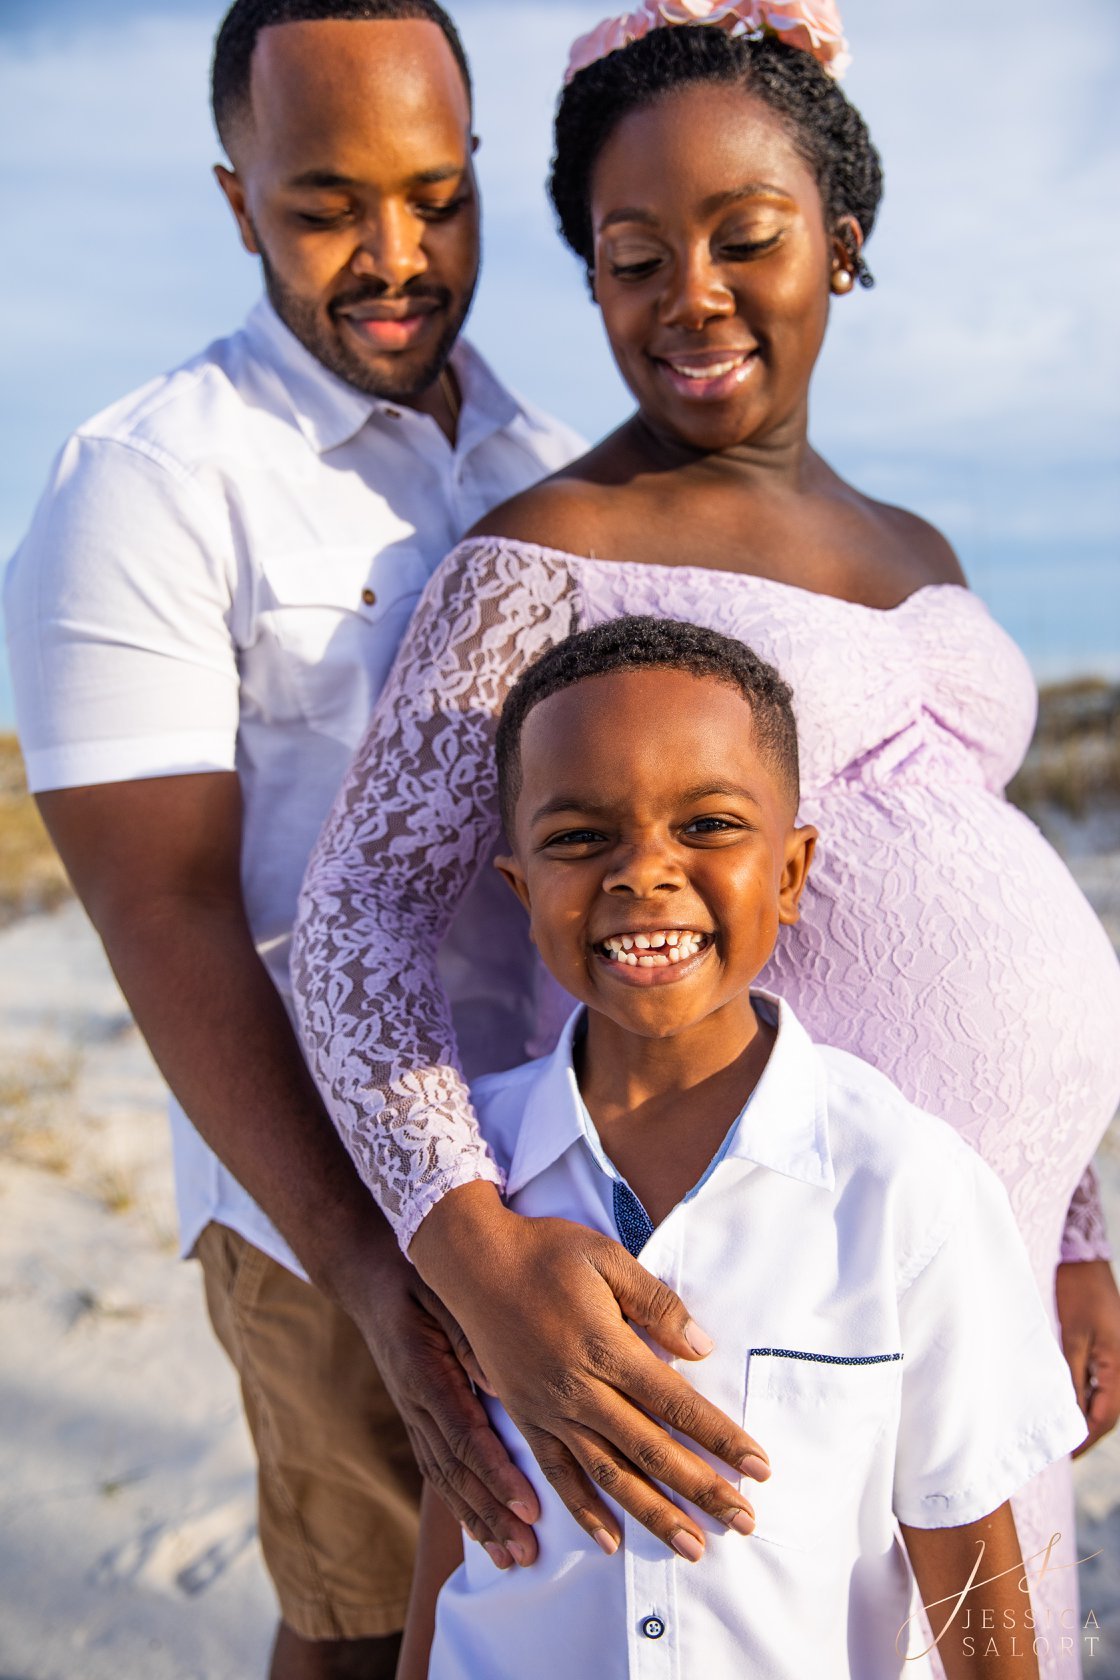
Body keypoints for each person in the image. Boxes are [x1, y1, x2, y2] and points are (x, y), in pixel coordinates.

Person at [291, 8, 1120, 1676]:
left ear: (842, 241)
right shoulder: (546, 554)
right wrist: (474, 1257)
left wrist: (1078, 1228)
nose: (692, 296)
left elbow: (982, 871)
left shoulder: (920, 543)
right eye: (633, 257)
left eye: (747, 237)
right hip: (751, 1288)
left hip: (966, 1274)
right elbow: (356, 925)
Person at [3, 2, 595, 1675]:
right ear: (235, 198)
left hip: (570, 1171)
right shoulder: (147, 482)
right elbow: (160, 908)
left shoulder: (553, 458)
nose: (396, 255)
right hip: (323, 1205)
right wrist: (370, 1266)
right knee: (358, 1629)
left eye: (438, 197)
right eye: (329, 206)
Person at [394, 614, 1088, 1680]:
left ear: (791, 871)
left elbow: (970, 1561)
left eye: (708, 825)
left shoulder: (905, 1182)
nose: (643, 873)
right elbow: (464, 1505)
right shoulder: (467, 1179)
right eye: (578, 838)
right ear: (522, 890)